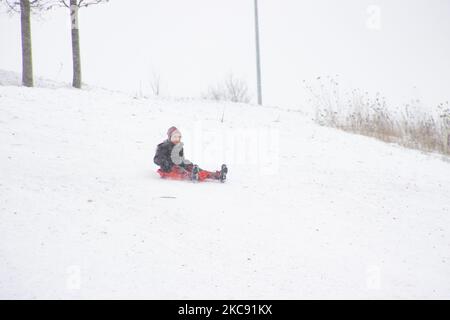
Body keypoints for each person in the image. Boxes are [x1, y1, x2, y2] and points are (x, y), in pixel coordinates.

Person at [154, 126, 227, 182]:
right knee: (180, 170)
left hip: (178, 165)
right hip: (168, 169)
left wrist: (186, 164)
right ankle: (192, 176)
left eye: (178, 137)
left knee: (192, 167)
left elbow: (180, 159)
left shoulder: (179, 147)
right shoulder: (163, 146)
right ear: (170, 137)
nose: (177, 139)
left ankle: (217, 175)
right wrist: (166, 163)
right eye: (174, 137)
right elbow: (156, 159)